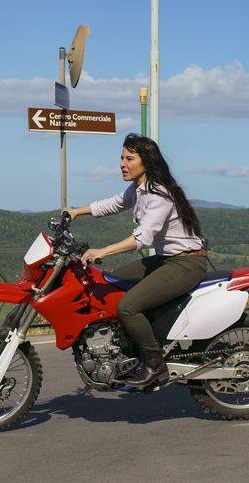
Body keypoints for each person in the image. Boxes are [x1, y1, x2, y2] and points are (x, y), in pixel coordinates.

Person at [64, 133, 208, 389]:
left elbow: (144, 237)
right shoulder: (139, 190)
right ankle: (133, 345)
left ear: (146, 161)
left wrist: (104, 250)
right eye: (121, 158)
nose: (123, 163)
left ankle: (155, 365)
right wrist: (76, 211)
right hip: (167, 260)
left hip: (186, 264)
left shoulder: (159, 194)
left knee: (128, 306)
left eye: (130, 158)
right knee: (112, 282)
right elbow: (112, 204)